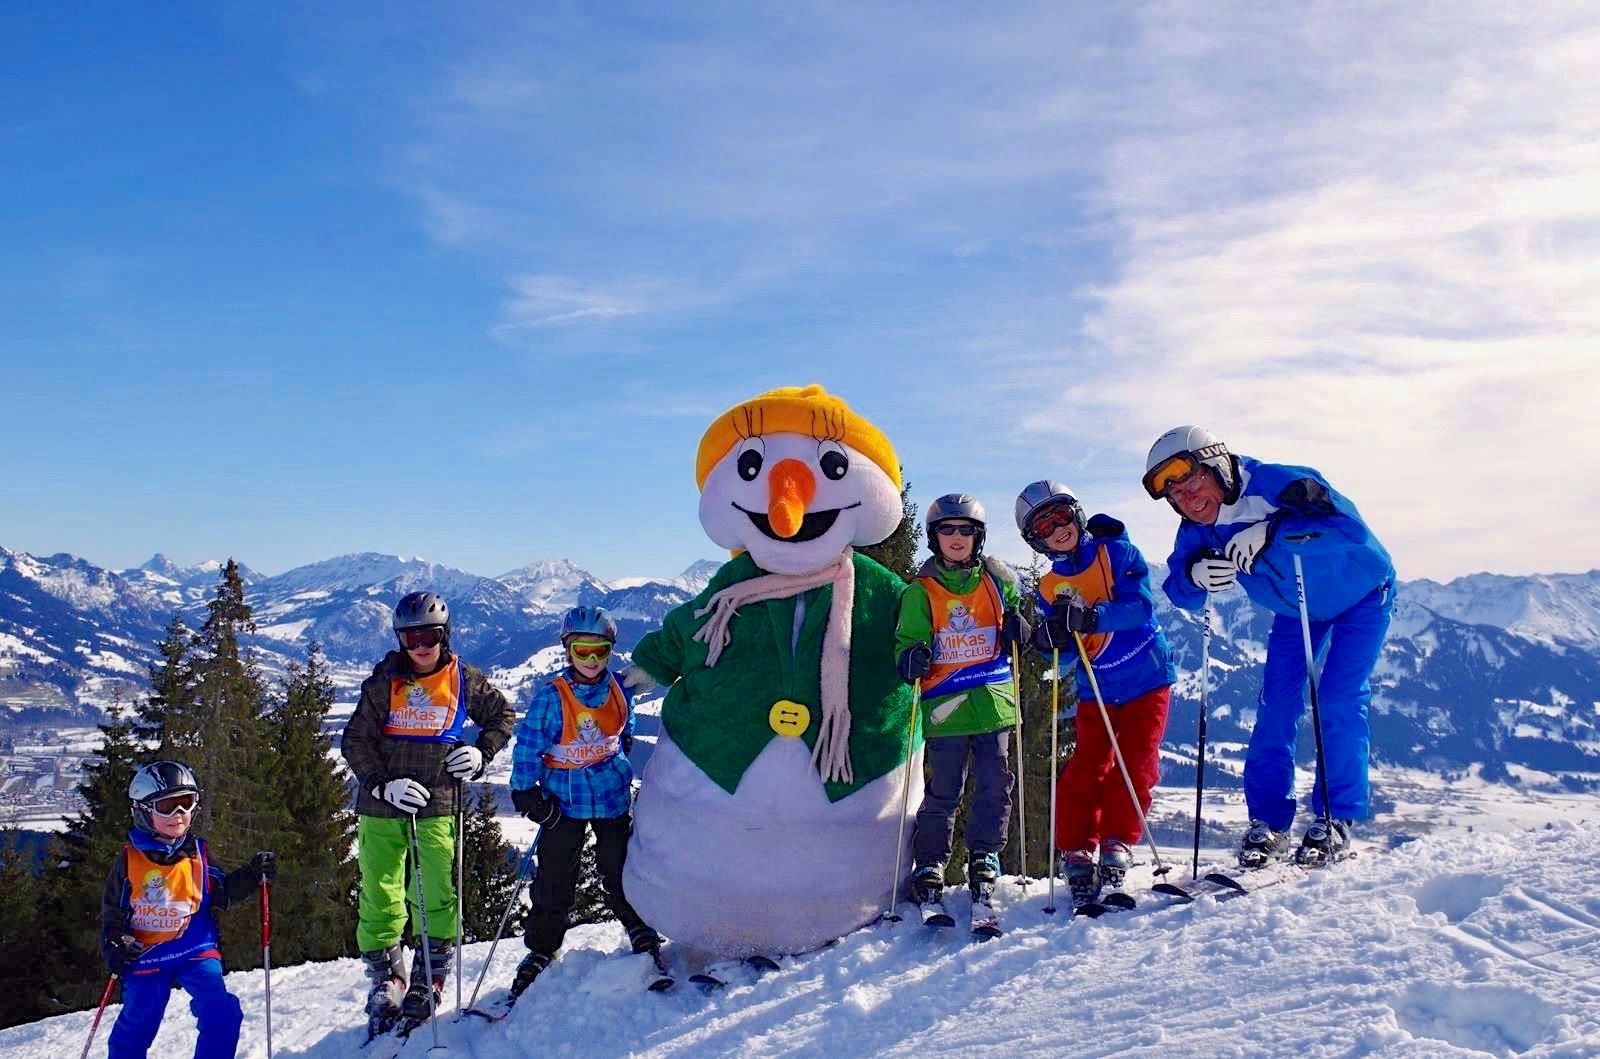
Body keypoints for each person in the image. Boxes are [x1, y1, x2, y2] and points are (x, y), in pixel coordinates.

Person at [1144, 426, 1394, 866]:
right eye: (1176, 495)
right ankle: (1269, 823)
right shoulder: (1199, 527)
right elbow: (1179, 588)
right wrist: (1196, 574)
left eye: (1193, 482)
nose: (1188, 498)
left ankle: (1335, 818)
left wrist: (1273, 531)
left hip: (1362, 595)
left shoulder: (1278, 482)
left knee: (1337, 698)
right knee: (1275, 705)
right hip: (1296, 612)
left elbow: (1349, 529)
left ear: (1217, 466)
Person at [340, 591, 516, 1026]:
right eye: (410, 636)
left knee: (437, 887)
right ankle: (387, 976)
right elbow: (355, 741)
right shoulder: (386, 681)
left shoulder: (463, 679)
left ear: (445, 634)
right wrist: (382, 786)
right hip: (383, 805)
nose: (420, 646)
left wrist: (481, 753)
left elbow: (502, 716)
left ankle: (430, 975)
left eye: (429, 636)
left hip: (438, 799)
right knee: (380, 891)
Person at [1015, 481, 1176, 909]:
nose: (1057, 529)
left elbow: (1139, 607)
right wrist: (1050, 638)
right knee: (1086, 767)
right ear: (1036, 540)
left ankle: (1117, 844)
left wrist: (1091, 616)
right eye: (1044, 526)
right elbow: (1067, 649)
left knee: (1136, 763)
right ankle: (1077, 850)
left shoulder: (1117, 554)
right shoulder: (1049, 587)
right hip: (1096, 690)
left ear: (1077, 514)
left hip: (1146, 678)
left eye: (1061, 517)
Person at [506, 606, 659, 998]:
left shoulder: (619, 691)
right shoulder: (551, 698)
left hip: (609, 797)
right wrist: (526, 791)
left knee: (621, 866)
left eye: (600, 652)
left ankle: (639, 925)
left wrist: (619, 758)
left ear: (610, 651)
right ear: (567, 650)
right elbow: (528, 746)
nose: (591, 661)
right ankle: (542, 947)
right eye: (581, 651)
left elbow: (625, 729)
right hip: (563, 803)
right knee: (555, 877)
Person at [894, 494, 1028, 910]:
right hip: (945, 707)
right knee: (942, 792)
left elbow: (1019, 621)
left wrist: (1021, 630)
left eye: (965, 530)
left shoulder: (997, 582)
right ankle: (931, 861)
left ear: (978, 537)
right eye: (947, 530)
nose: (957, 537)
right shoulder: (923, 591)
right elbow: (907, 639)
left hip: (992, 704)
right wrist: (909, 656)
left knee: (995, 786)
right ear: (935, 537)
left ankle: (984, 855)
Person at [101, 760, 275, 1059]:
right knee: (140, 1019)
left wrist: (251, 874)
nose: (179, 814)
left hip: (194, 948)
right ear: (142, 810)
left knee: (222, 1013)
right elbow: (112, 914)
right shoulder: (129, 861)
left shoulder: (198, 854)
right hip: (146, 953)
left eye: (186, 803)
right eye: (167, 806)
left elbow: (222, 893)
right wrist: (114, 945)